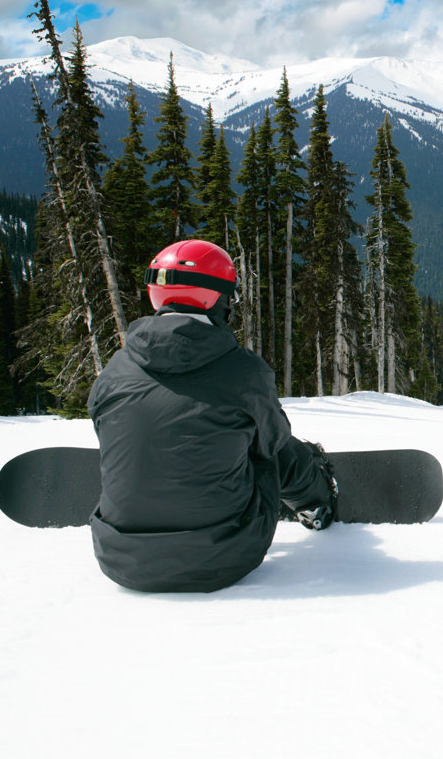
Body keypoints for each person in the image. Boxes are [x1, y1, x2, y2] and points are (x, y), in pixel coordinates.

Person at [88, 238, 337, 593]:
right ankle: (316, 502)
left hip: (120, 560)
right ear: (217, 298)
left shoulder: (115, 370)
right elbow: (273, 440)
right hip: (224, 559)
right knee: (274, 451)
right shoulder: (242, 371)